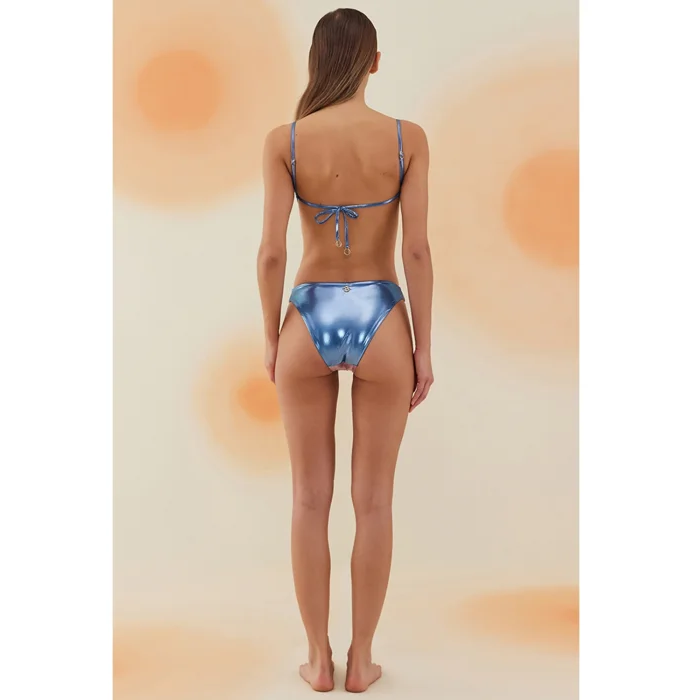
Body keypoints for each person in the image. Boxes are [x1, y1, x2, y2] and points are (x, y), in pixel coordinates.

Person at [257, 8, 433, 693]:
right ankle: (361, 659)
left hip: (308, 315)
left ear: (317, 59)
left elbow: (272, 252)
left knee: (309, 499)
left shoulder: (287, 141)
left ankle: (317, 659)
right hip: (382, 315)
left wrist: (271, 334)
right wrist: (423, 347)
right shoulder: (407, 138)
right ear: (374, 61)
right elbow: (416, 251)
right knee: (374, 502)